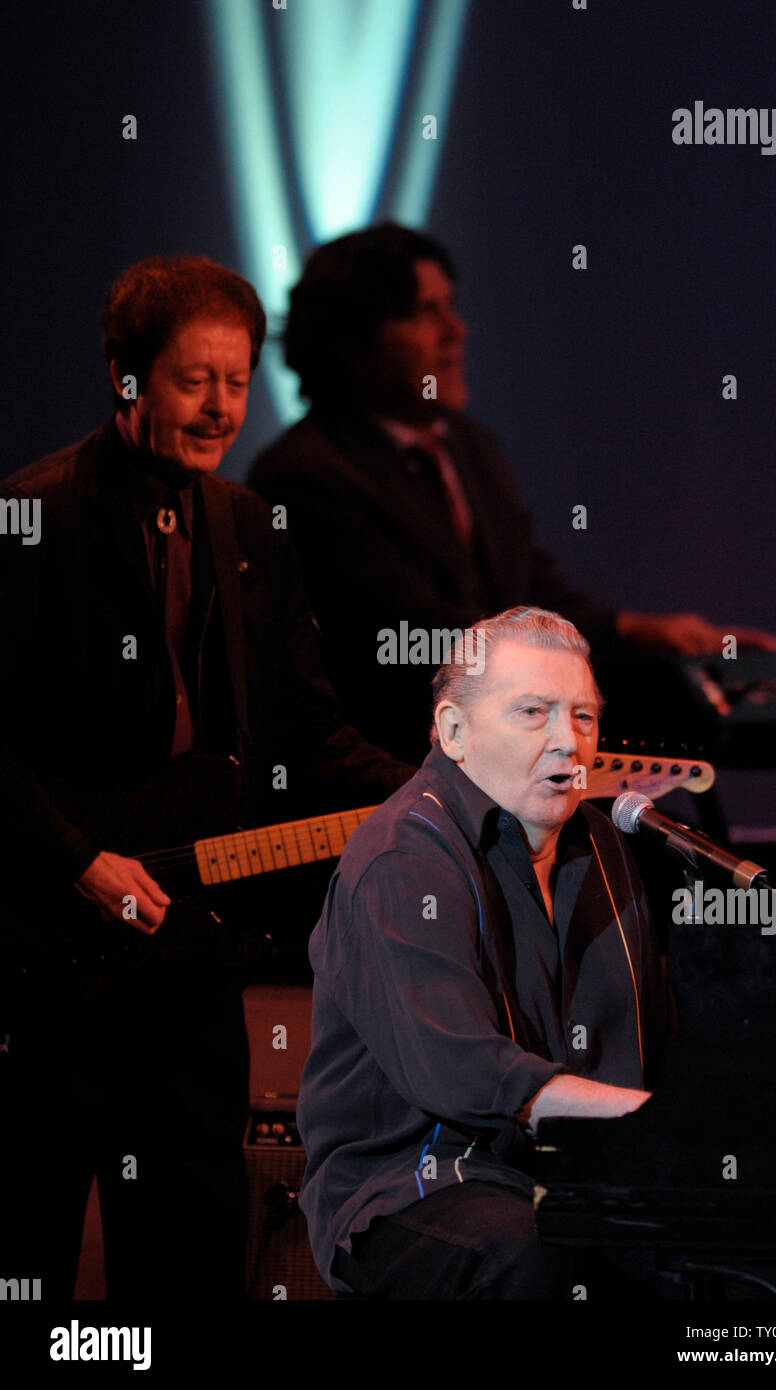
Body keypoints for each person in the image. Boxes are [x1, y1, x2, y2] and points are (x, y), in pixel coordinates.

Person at [0, 255, 410, 1301]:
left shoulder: (248, 527)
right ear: (125, 379)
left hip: (187, 959)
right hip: (42, 959)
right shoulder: (31, 516)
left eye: (238, 379)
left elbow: (311, 729)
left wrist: (435, 789)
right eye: (194, 379)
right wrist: (80, 860)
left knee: (188, 1253)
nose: (223, 406)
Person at [249, 222, 776, 764]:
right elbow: (418, 636)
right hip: (409, 778)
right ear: (351, 341)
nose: (456, 330)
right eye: (423, 312)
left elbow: (529, 587)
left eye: (450, 306)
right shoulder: (304, 475)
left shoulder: (469, 447)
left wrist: (645, 631)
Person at [297, 606, 676, 1300]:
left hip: (576, 1170)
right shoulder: (402, 856)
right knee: (523, 1250)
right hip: (419, 1183)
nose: (570, 742)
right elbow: (466, 1074)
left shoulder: (605, 847)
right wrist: (653, 1122)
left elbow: (662, 1038)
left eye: (584, 717)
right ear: (453, 732)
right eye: (534, 712)